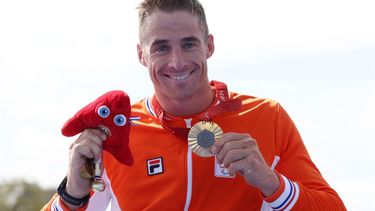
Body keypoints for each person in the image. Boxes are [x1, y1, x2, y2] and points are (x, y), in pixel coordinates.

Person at [43, 0, 346, 210]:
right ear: (141, 55)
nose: (177, 62)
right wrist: (72, 194)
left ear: (209, 45)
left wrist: (272, 182)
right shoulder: (115, 134)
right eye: (161, 47)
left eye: (189, 43)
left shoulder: (267, 117)